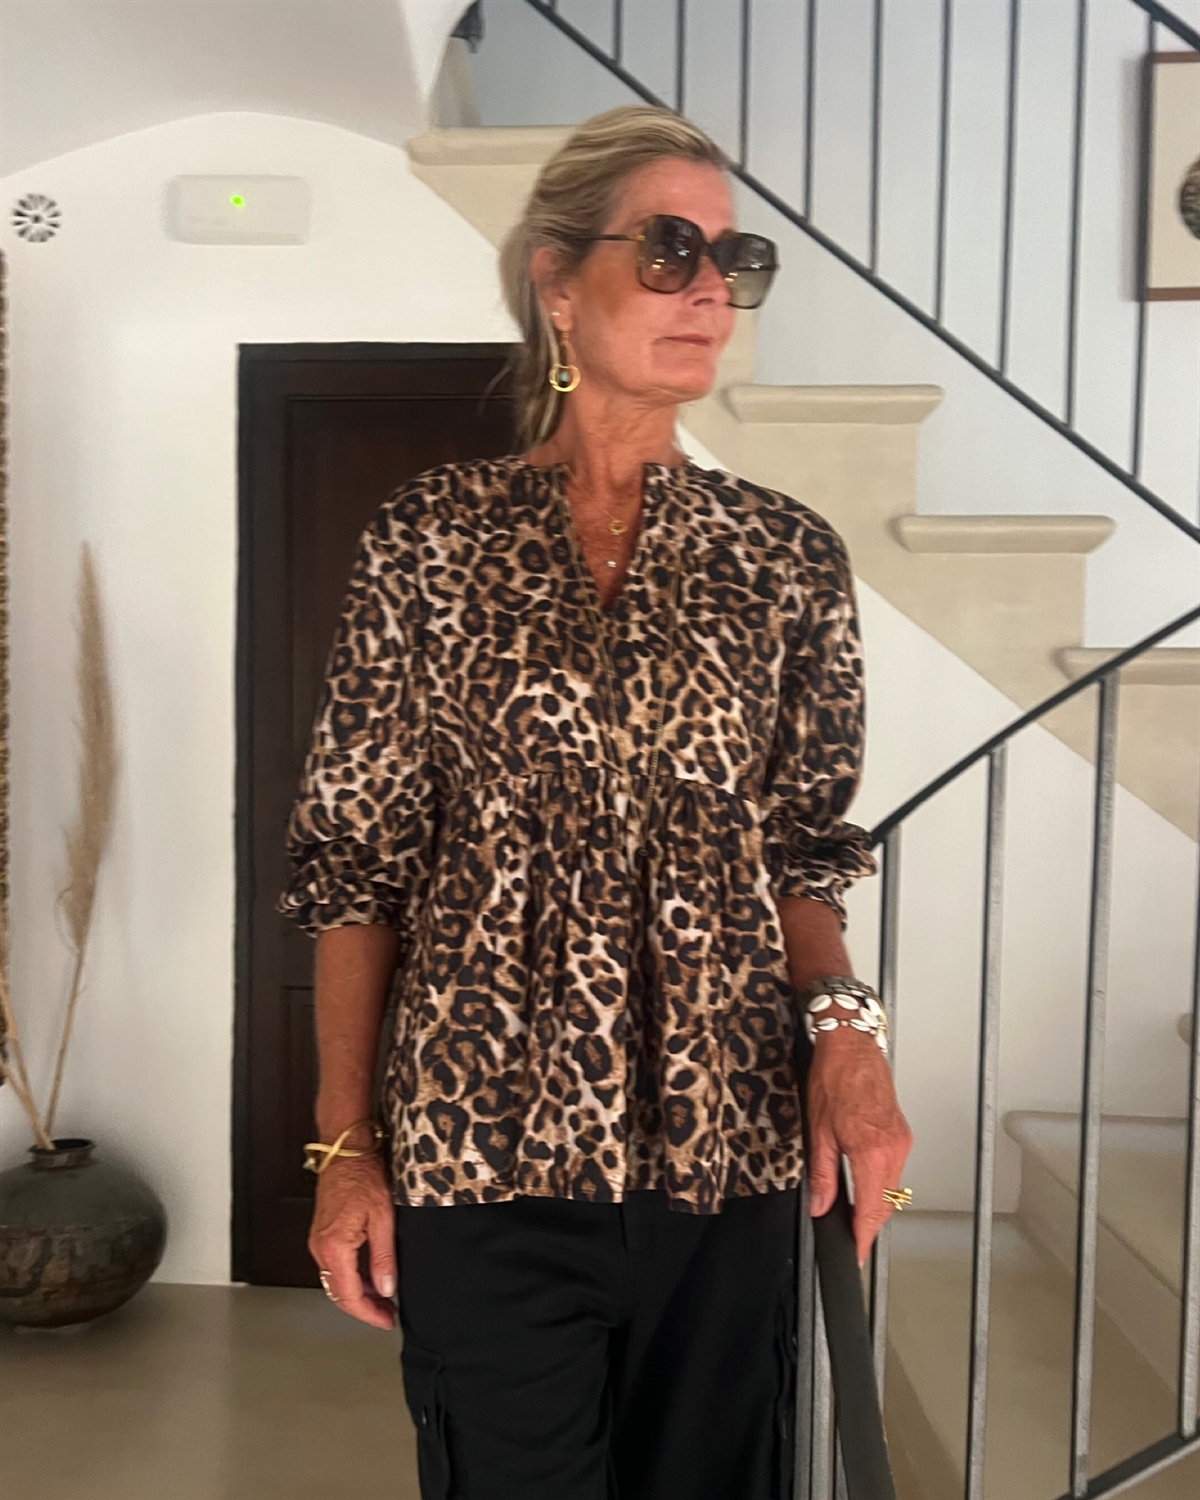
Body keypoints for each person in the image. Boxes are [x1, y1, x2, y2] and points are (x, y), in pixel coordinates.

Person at [280, 104, 912, 1500]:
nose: (710, 289)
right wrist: (345, 1149)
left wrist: (849, 1038)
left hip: (729, 1152)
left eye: (735, 260)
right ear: (558, 281)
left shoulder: (785, 555)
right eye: (671, 249)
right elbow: (355, 868)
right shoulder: (430, 539)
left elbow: (801, 850)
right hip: (480, 1152)